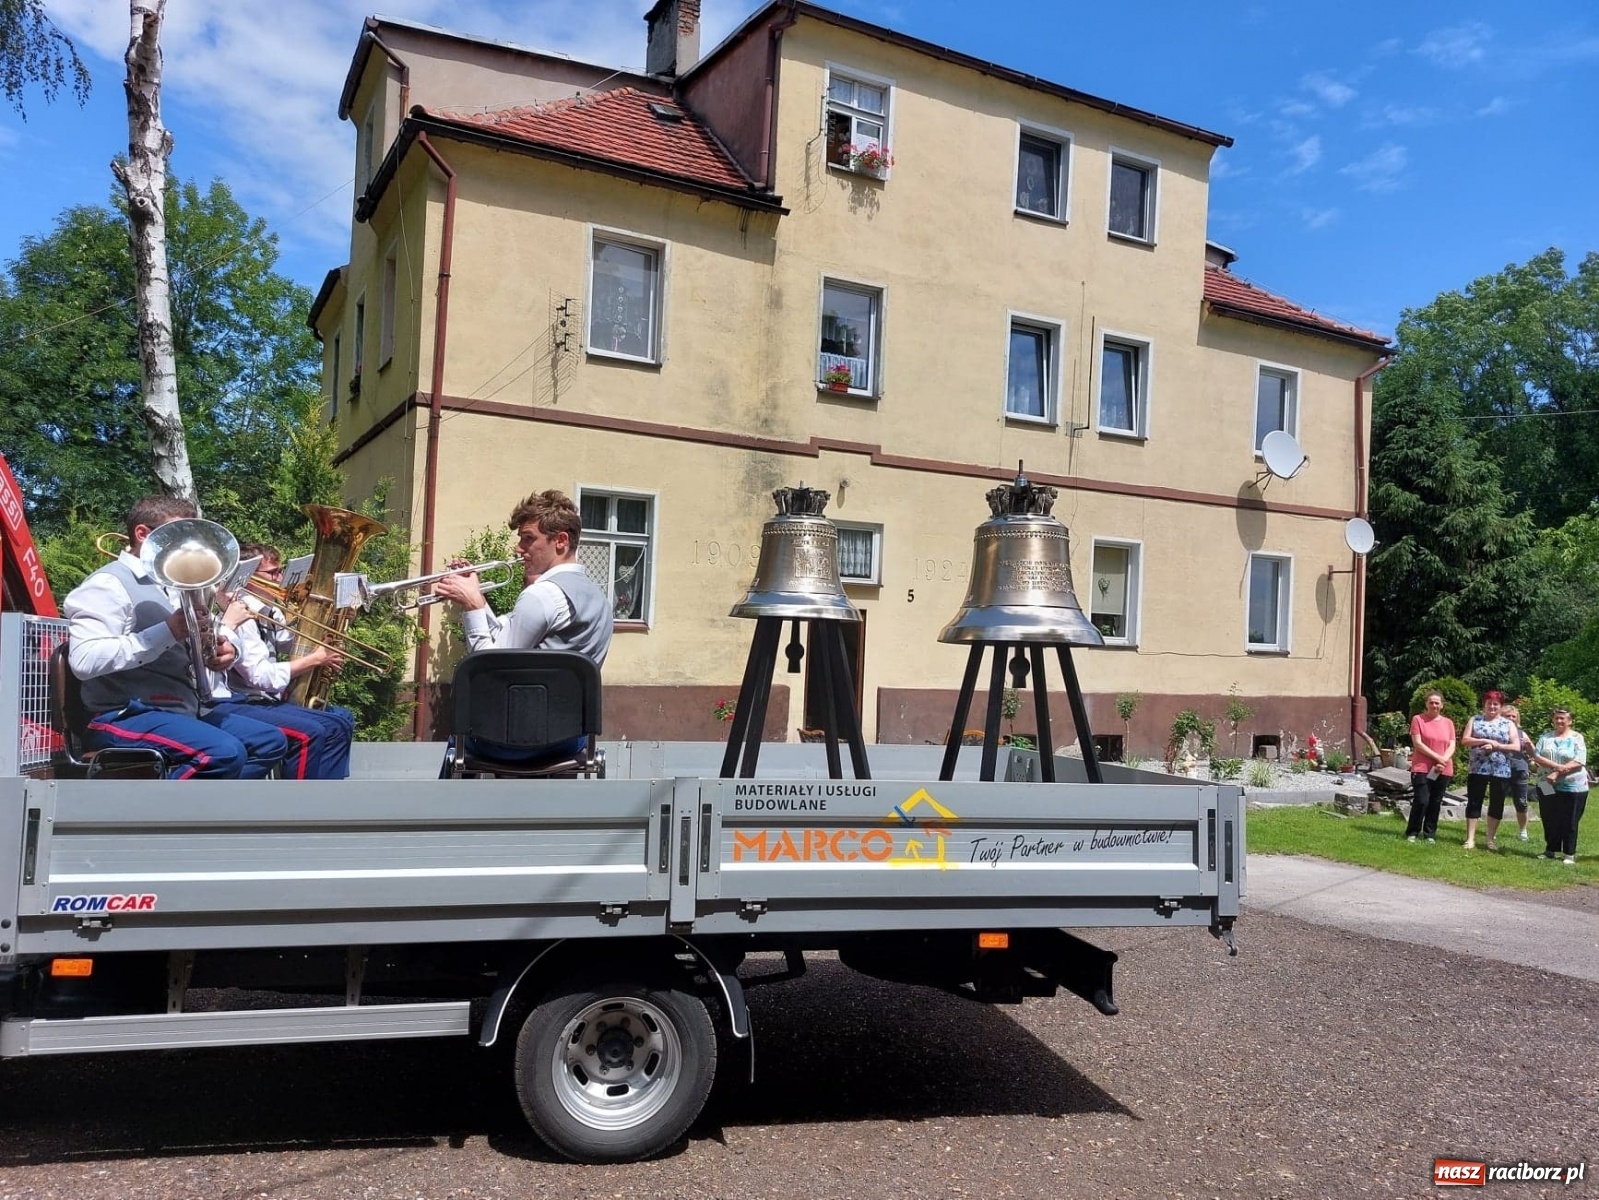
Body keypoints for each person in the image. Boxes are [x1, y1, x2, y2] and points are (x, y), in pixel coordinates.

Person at [63, 495, 287, 780]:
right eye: (178, 536)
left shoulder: (176, 583)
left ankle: (210, 805)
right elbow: (84, 661)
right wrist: (167, 631)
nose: (188, 547)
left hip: (181, 708)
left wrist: (229, 649)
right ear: (142, 534)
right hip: (121, 713)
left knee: (269, 741)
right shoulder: (107, 584)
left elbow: (215, 632)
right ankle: (169, 809)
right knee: (222, 753)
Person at [430, 489, 613, 766]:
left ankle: (449, 796)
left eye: (528, 539)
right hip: (570, 740)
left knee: (461, 739)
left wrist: (472, 605)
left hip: (514, 740)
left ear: (561, 541)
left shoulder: (542, 595)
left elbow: (488, 667)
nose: (519, 548)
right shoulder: (599, 599)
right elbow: (504, 643)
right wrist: (476, 597)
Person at [204, 543, 356, 781]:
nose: (281, 578)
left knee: (342, 719)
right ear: (248, 577)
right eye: (273, 573)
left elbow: (290, 643)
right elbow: (260, 677)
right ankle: (300, 800)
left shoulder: (269, 611)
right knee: (314, 732)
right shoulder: (242, 615)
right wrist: (315, 659)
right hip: (244, 700)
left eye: (281, 571)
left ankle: (327, 794)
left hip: (264, 700)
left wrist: (332, 623)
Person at [1460, 689, 1519, 851]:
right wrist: (1484, 740)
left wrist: (1496, 745)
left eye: (1496, 704)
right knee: (1474, 801)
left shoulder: (1508, 724)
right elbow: (1465, 740)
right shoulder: (1475, 719)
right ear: (1484, 704)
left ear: (1501, 706)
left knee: (1497, 803)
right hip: (1478, 768)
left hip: (1501, 769)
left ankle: (1490, 839)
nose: (1492, 707)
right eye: (1489, 703)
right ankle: (1470, 838)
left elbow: (1516, 746)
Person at [1533, 707, 1587, 865]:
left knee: (1569, 819)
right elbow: (1536, 756)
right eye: (1556, 718)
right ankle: (1550, 849)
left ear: (1570, 721)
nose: (1559, 721)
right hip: (1545, 783)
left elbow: (1579, 761)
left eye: (1563, 718)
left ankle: (1569, 853)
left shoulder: (1577, 738)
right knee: (1549, 816)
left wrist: (1556, 773)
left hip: (1573, 786)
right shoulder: (1545, 737)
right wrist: (1557, 767)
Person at [1405, 691, 1456, 844]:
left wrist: (1443, 760)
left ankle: (1430, 834)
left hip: (1443, 768)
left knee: (1435, 802)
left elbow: (1452, 744)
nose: (1434, 705)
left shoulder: (1448, 723)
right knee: (1422, 800)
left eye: (1437, 703)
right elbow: (1418, 744)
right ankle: (1413, 831)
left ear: (1442, 705)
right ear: (1426, 704)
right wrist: (1438, 758)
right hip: (1422, 767)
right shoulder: (1418, 719)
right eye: (1431, 702)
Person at [1499, 702, 1535, 842]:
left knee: (1521, 802)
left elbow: (1533, 754)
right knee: (1497, 801)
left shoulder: (1521, 733)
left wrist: (1529, 744)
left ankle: (1523, 831)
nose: (1511, 718)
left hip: (1519, 770)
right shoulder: (1496, 731)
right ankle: (1492, 831)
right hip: (1500, 770)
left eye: (1514, 716)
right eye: (1508, 716)